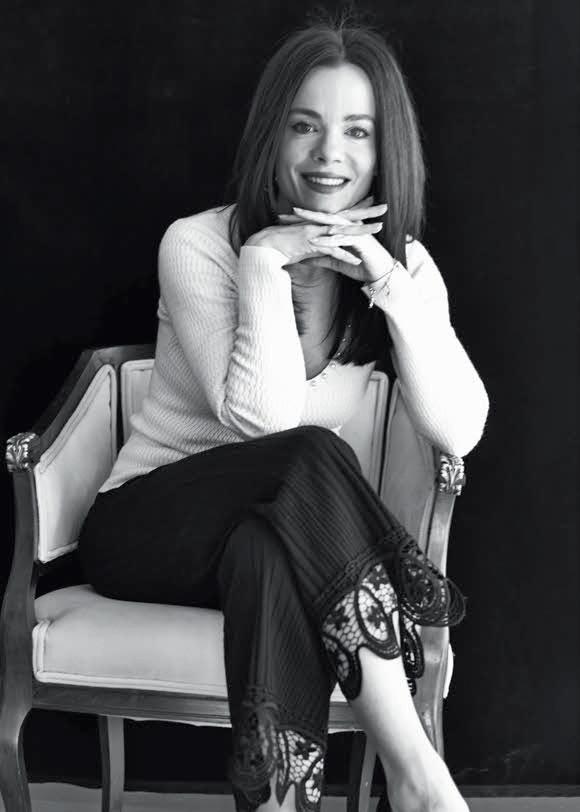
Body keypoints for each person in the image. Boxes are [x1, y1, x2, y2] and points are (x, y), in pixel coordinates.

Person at [78, 17, 489, 812]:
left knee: (268, 550)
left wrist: (389, 286)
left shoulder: (402, 269)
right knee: (306, 453)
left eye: (357, 131)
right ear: (273, 133)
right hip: (144, 528)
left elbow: (460, 430)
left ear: (386, 149)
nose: (330, 153)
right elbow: (264, 427)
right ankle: (417, 771)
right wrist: (265, 260)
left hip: (263, 536)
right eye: (305, 126)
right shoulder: (199, 245)